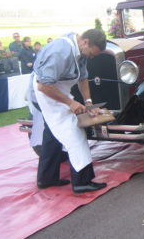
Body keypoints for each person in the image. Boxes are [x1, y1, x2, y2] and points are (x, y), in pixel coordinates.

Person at [31, 29, 107, 194]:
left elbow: (83, 78)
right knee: (74, 132)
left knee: (52, 133)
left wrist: (88, 103)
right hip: (46, 91)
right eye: (91, 53)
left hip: (56, 89)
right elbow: (43, 85)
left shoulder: (81, 50)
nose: (91, 57)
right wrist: (70, 102)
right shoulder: (60, 51)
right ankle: (82, 182)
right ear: (85, 42)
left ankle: (46, 178)